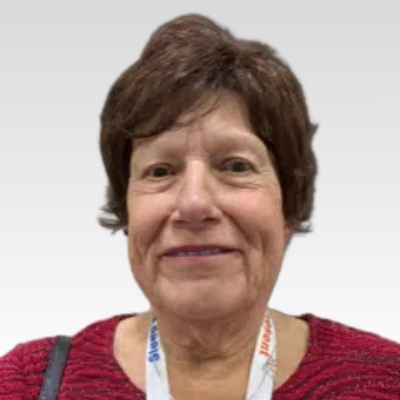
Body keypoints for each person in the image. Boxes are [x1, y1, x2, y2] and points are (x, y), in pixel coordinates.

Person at [1, 13, 400, 400]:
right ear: (127, 209)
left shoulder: (385, 381)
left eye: (236, 166)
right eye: (160, 171)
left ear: (289, 206)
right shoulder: (26, 384)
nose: (194, 203)